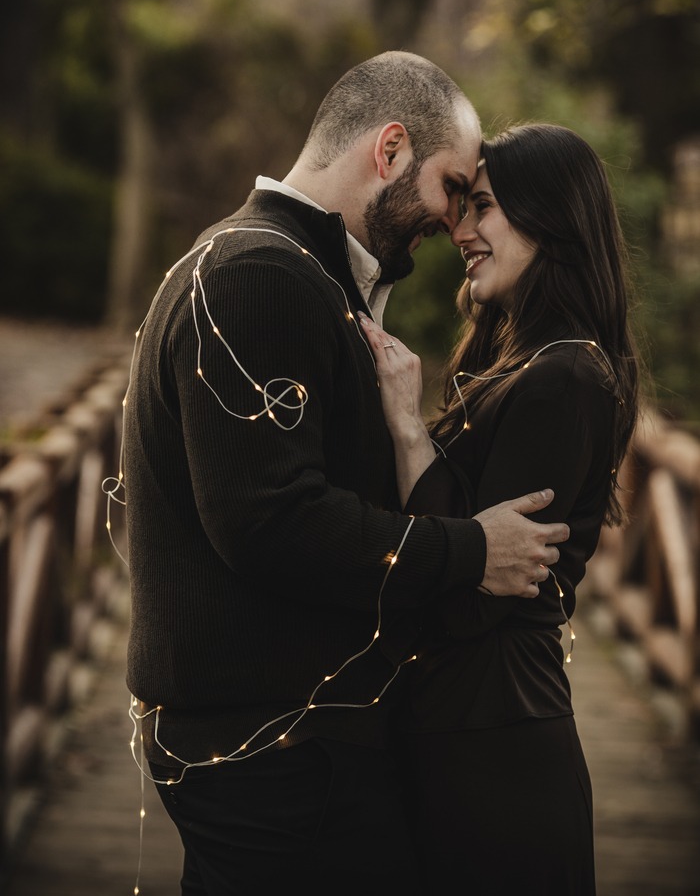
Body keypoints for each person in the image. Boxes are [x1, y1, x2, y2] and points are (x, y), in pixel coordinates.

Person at [122, 53, 568, 896]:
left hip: (290, 746)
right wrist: (470, 550)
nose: (453, 221)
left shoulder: (289, 268)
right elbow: (271, 520)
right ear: (390, 150)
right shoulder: (260, 273)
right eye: (452, 187)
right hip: (279, 760)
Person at [359, 121, 640, 895]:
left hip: (498, 752)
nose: (461, 232)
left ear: (549, 218)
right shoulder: (526, 365)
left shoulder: (565, 379)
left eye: (483, 207)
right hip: (464, 731)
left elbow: (471, 600)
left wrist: (407, 428)